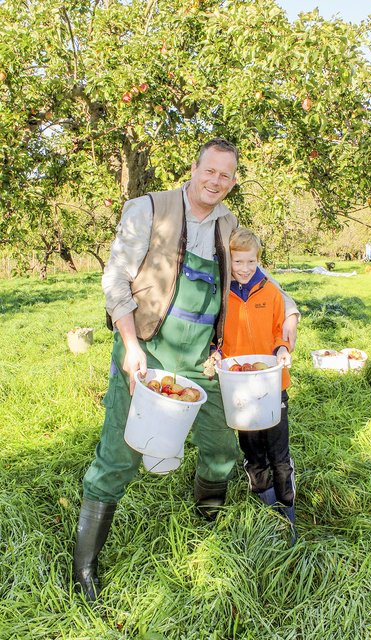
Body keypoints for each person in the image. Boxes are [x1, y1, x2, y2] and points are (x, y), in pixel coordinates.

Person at [72, 138, 300, 602]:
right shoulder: (148, 209)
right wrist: (131, 346)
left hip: (202, 361)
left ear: (233, 182)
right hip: (147, 351)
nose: (216, 181)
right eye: (209, 171)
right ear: (193, 169)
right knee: (121, 453)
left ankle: (205, 529)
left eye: (226, 175)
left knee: (221, 445)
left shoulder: (227, 225)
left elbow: (265, 284)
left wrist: (287, 326)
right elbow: (114, 278)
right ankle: (86, 568)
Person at [213, 228, 298, 543]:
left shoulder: (271, 293)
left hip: (273, 384)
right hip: (240, 386)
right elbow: (218, 338)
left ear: (258, 261)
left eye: (250, 261)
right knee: (252, 450)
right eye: (238, 261)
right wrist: (217, 354)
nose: (244, 268)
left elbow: (280, 331)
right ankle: (265, 506)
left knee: (278, 451)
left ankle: (286, 511)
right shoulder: (223, 295)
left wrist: (282, 348)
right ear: (229, 261)